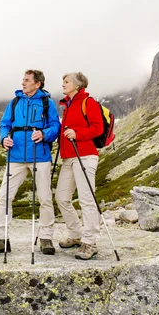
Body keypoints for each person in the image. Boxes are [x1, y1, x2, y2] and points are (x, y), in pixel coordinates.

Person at [0, 70, 60, 256]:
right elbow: (5, 125)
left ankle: (46, 238)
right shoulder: (15, 102)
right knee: (4, 197)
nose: (23, 83)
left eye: (27, 80)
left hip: (39, 156)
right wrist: (3, 139)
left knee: (44, 198)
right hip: (15, 157)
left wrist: (44, 134)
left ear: (37, 83)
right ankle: (1, 238)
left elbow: (55, 126)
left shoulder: (47, 103)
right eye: (23, 80)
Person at [55, 72, 104, 260]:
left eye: (66, 82)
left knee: (86, 198)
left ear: (77, 85)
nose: (63, 84)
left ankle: (90, 242)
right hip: (68, 158)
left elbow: (97, 127)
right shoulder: (67, 105)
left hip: (86, 156)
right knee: (61, 197)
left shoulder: (88, 102)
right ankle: (76, 235)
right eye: (63, 81)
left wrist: (77, 134)